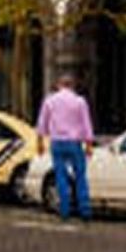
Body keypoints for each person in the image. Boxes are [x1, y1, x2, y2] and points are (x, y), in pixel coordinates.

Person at [36, 73, 95, 223]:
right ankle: (85, 210)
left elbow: (42, 122)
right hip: (74, 143)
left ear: (59, 85)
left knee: (60, 176)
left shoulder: (50, 100)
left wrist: (40, 142)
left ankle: (64, 210)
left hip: (57, 142)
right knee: (80, 176)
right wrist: (88, 144)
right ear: (72, 86)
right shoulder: (79, 101)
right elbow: (86, 123)